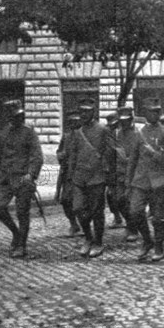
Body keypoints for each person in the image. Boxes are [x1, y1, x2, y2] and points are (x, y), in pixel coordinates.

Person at [0, 100, 43, 258]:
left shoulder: (29, 132)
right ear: (8, 117)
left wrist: (31, 175)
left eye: (19, 115)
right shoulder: (2, 133)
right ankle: (16, 233)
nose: (17, 119)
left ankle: (22, 245)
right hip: (4, 179)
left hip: (22, 179)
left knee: (22, 212)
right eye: (13, 116)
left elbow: (37, 157)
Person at [126, 97, 164, 262]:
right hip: (141, 180)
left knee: (158, 216)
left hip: (159, 181)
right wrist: (128, 182)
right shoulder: (139, 134)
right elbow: (133, 159)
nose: (154, 114)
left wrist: (154, 154)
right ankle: (147, 241)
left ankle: (159, 247)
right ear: (145, 113)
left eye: (157, 112)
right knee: (135, 212)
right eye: (151, 111)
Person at [68, 98, 116, 258]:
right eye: (81, 111)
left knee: (97, 212)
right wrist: (71, 175)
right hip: (79, 177)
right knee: (77, 209)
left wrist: (109, 176)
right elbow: (73, 154)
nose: (83, 114)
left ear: (93, 112)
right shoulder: (77, 131)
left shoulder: (103, 129)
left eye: (86, 111)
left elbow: (110, 153)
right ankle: (88, 238)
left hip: (97, 177)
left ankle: (98, 242)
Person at [55, 110, 82, 237]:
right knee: (65, 201)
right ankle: (73, 224)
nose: (73, 124)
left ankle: (85, 225)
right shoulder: (66, 137)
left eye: (76, 121)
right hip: (67, 173)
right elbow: (59, 152)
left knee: (81, 203)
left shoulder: (85, 135)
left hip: (82, 173)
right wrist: (62, 156)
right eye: (71, 122)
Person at [115, 106, 140, 242]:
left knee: (132, 202)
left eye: (126, 120)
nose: (124, 123)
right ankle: (129, 223)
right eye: (121, 121)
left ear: (131, 119)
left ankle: (133, 228)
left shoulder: (137, 133)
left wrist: (130, 158)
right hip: (120, 172)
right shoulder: (118, 134)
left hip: (134, 173)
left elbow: (141, 154)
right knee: (119, 201)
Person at [105, 112, 124, 229]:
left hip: (122, 169)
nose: (113, 126)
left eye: (115, 124)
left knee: (122, 196)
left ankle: (130, 220)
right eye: (111, 125)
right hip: (110, 169)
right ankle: (117, 217)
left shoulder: (123, 134)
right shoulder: (107, 134)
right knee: (110, 195)